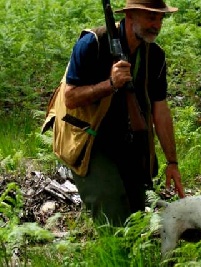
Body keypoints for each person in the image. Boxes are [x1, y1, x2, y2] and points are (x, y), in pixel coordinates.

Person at [52, 0, 185, 226]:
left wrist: (172, 163)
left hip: (129, 140)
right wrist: (111, 84)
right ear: (131, 15)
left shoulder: (155, 56)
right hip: (89, 140)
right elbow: (70, 98)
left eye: (160, 18)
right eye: (151, 17)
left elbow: (160, 110)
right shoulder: (92, 43)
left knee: (136, 217)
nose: (157, 25)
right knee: (112, 216)